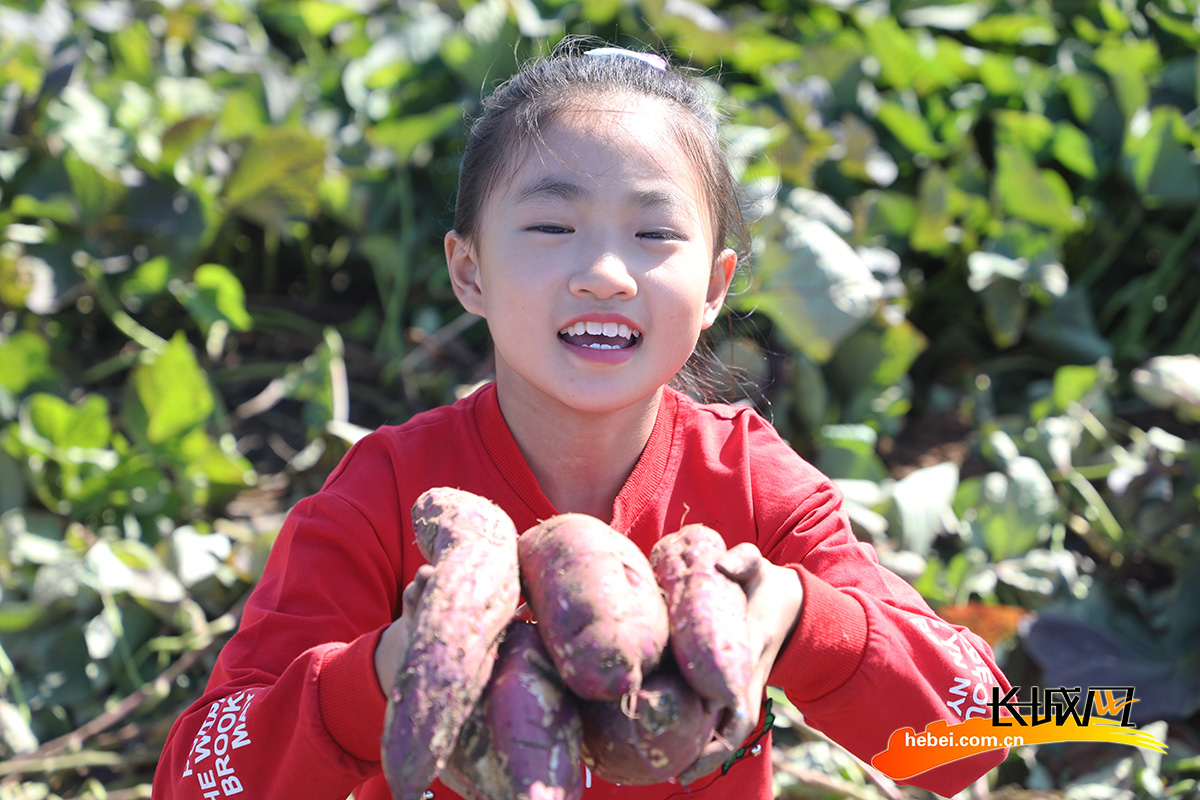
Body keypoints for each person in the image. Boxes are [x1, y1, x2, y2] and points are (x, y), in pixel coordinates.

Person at [152, 41, 1011, 800]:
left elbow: (977, 736)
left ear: (715, 288)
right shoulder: (386, 496)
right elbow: (197, 780)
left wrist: (795, 619)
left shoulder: (754, 486)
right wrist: (392, 666)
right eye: (552, 224)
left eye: (653, 233)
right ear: (469, 271)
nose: (605, 272)